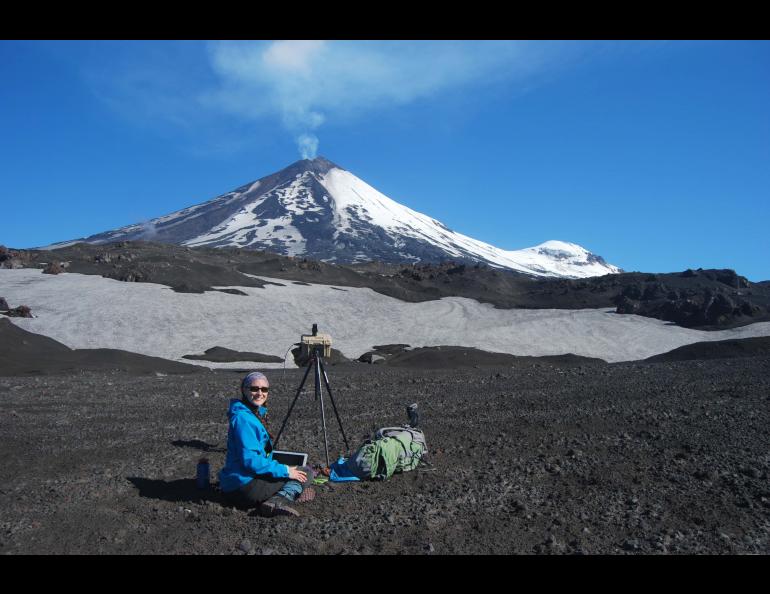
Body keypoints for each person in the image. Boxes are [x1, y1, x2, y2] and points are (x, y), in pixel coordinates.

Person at [219, 371, 315, 517]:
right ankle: (277, 501)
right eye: (254, 388)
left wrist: (283, 468)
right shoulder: (244, 419)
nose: (259, 393)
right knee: (305, 473)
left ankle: (289, 489)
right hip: (244, 487)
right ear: (244, 391)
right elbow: (251, 461)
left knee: (298, 471)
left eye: (264, 389)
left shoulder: (252, 414)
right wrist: (286, 471)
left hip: (238, 482)